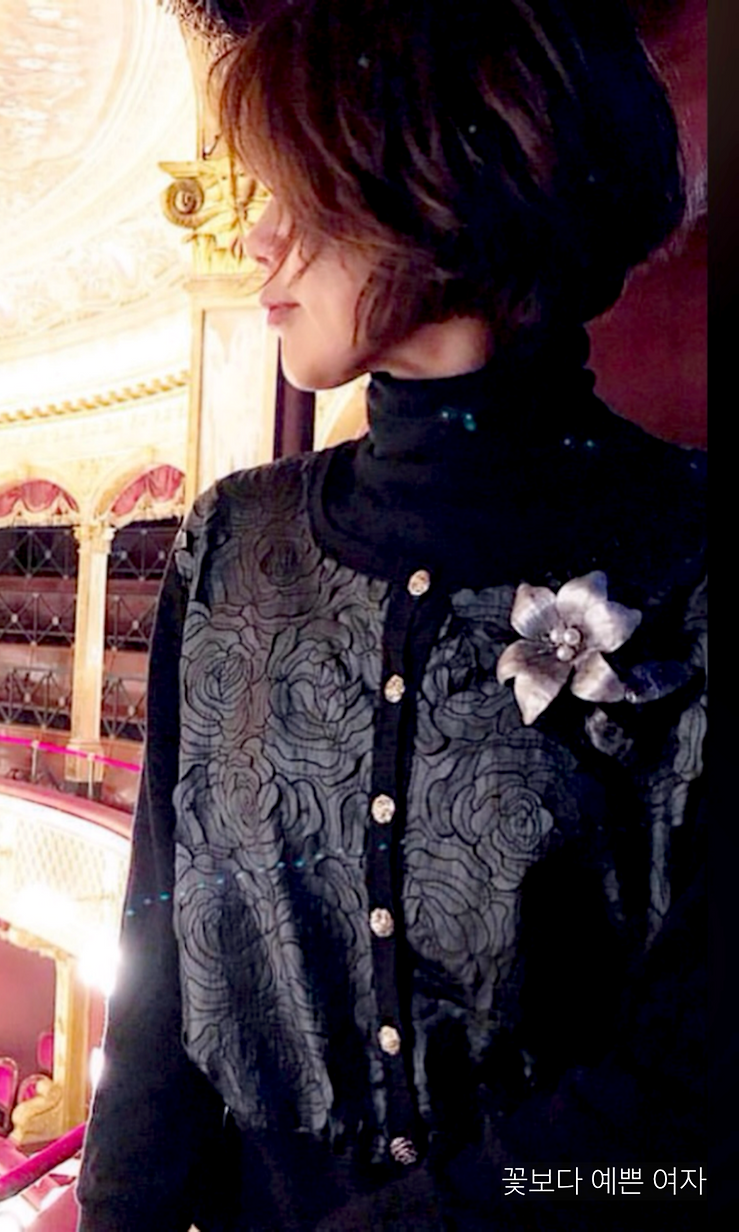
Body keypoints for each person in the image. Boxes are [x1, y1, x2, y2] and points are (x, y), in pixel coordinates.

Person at [76, 1, 706, 1228]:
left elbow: (691, 1097)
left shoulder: (688, 556)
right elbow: (159, 955)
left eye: (295, 194)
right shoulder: (229, 540)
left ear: (439, 184)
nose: (254, 238)